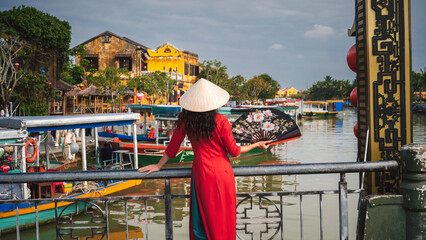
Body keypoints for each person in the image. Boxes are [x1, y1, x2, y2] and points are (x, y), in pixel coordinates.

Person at [138, 79, 270, 240]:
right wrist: (256, 145)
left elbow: (172, 148)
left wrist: (159, 166)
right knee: (222, 219)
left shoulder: (186, 122)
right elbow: (234, 151)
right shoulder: (221, 121)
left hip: (201, 173)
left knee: (202, 218)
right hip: (222, 174)